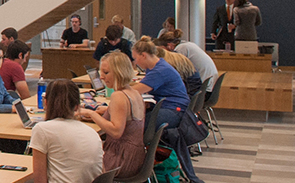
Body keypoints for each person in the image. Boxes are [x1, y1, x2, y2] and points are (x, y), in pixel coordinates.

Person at [130, 37, 201, 183]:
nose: (135, 63)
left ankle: (134, 170)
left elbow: (134, 92)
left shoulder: (159, 71)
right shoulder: (156, 67)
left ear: (143, 55)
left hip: (175, 111)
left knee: (135, 127)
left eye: (136, 58)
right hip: (175, 108)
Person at [77, 52, 145, 180]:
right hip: (135, 157)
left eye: (106, 73)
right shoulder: (134, 92)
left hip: (120, 160)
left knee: (76, 160)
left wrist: (91, 113)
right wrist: (107, 110)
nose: (101, 77)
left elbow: (116, 132)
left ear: (119, 72)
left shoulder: (118, 96)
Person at [29, 79, 104, 183]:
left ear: (45, 102)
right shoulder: (92, 132)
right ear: (77, 106)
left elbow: (39, 180)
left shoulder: (42, 129)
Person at [157, 29, 218, 94]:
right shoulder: (188, 44)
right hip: (207, 86)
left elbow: (175, 72)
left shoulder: (180, 49)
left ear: (169, 46)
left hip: (202, 90)